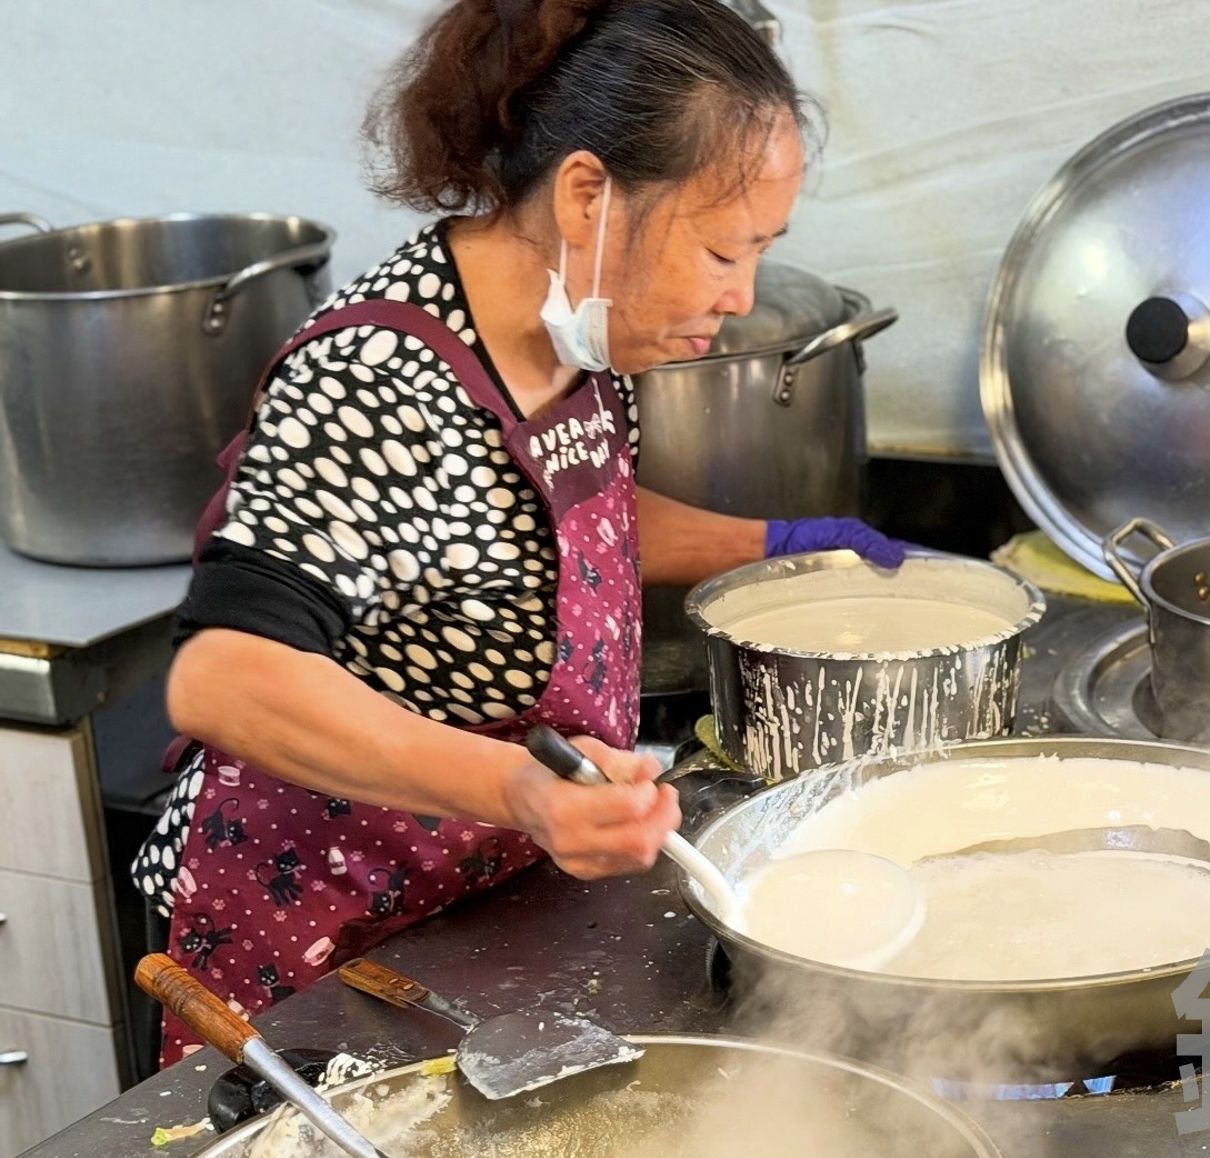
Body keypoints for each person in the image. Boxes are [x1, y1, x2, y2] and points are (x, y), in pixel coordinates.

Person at [132, 0, 903, 1065]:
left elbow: (549, 521)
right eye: (725, 249)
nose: (741, 295)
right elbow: (228, 675)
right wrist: (517, 791)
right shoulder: (378, 379)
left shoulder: (574, 334)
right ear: (588, 194)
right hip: (316, 939)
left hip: (471, 908)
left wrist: (783, 548)